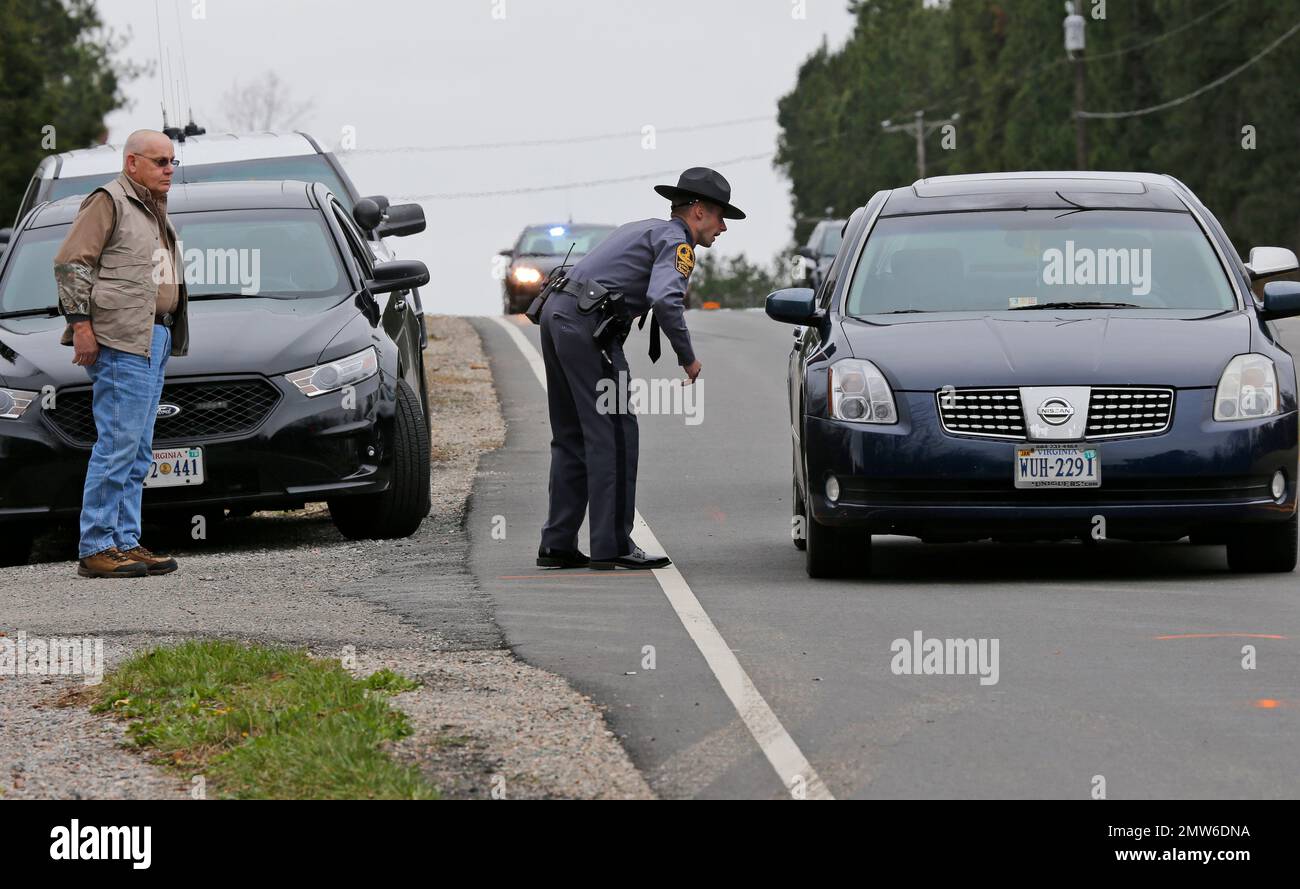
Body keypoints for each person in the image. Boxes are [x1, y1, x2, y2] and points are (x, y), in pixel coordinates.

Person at [536, 167, 744, 570]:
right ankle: (612, 544)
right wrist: (687, 356)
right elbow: (665, 299)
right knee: (614, 434)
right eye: (721, 217)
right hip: (586, 328)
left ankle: (558, 542)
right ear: (699, 211)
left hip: (557, 315)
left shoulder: (645, 228)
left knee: (571, 437)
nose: (723, 228)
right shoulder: (678, 243)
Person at [54, 129, 190, 578]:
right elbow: (72, 263)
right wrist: (81, 326)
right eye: (160, 162)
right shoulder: (107, 201)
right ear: (132, 163)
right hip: (120, 340)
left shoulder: (152, 206)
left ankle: (125, 542)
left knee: (137, 450)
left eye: (172, 161)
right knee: (117, 445)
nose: (169, 169)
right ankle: (96, 546)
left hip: (154, 338)